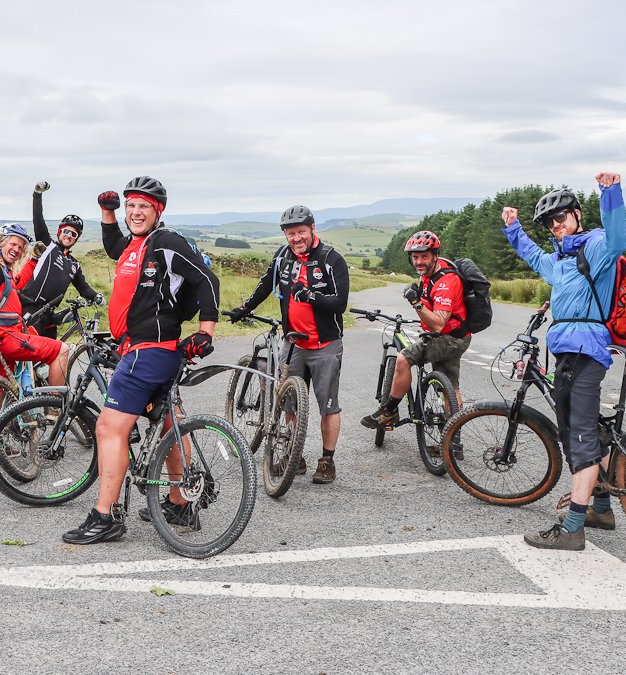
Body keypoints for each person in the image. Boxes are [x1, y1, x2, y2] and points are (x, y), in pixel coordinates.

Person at [62, 175, 220, 545]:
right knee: (167, 423)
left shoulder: (166, 241)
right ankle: (180, 502)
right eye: (130, 205)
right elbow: (115, 244)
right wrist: (107, 212)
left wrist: (207, 331)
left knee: (109, 428)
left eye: (142, 207)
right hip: (148, 350)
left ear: (158, 211)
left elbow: (207, 281)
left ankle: (106, 515)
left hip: (147, 352)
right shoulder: (136, 245)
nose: (135, 212)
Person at [502, 172, 626, 551]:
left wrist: (610, 192)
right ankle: (601, 507)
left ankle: (573, 528)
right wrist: (513, 228)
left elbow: (619, 235)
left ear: (577, 214)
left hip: (587, 350)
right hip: (566, 353)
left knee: (580, 437)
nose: (556, 225)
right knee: (586, 431)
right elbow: (530, 253)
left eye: (562, 217)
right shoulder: (559, 261)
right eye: (550, 222)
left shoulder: (597, 248)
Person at [226, 205, 349, 484]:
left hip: (324, 344)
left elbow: (340, 303)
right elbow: (264, 286)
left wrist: (312, 297)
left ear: (313, 229)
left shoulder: (331, 260)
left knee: (328, 406)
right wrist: (243, 310)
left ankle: (327, 460)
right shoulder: (282, 257)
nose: (296, 238)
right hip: (292, 342)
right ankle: (296, 455)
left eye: (301, 232)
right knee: (289, 403)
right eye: (290, 234)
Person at [360, 230, 471, 449]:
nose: (419, 261)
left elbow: (438, 323)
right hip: (456, 335)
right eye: (415, 257)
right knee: (450, 387)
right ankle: (453, 443)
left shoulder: (447, 281)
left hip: (448, 338)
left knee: (403, 358)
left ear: (434, 255)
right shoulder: (429, 274)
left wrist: (415, 302)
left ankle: (389, 410)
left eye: (424, 256)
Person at [0, 222, 71, 419]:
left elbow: (17, 283)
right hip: (7, 337)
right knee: (62, 350)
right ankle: (53, 406)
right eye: (13, 244)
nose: (16, 249)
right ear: (1, 242)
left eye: (20, 247)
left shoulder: (4, 271)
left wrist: (34, 260)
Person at [15, 180, 103, 339]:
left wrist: (96, 296)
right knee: (28, 354)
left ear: (76, 239)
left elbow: (83, 287)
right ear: (59, 232)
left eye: (73, 234)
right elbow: (38, 221)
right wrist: (37, 195)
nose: (69, 236)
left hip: (48, 313)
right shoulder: (48, 246)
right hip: (30, 306)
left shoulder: (74, 265)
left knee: (51, 355)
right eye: (66, 231)